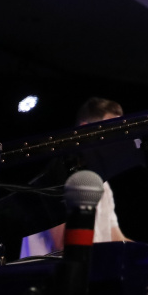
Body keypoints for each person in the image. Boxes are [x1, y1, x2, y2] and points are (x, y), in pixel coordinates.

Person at [19, 97, 129, 256]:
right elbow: (63, 244)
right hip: (53, 271)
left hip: (90, 267)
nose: (117, 139)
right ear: (86, 130)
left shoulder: (102, 184)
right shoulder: (57, 175)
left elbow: (115, 237)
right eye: (110, 130)